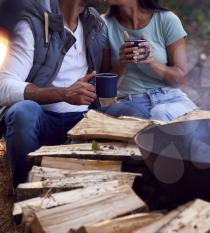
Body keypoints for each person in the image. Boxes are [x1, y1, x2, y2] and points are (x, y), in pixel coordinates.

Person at [0, 0, 146, 187]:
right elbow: (3, 86)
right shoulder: (32, 23)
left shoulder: (94, 23)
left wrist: (123, 64)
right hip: (42, 122)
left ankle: (127, 187)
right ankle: (25, 189)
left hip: (84, 122)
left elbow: (101, 84)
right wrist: (63, 94)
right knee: (22, 113)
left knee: (135, 112)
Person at [102, 0, 198, 122]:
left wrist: (152, 63)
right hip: (130, 103)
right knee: (157, 118)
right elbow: (103, 88)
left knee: (162, 114)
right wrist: (122, 64)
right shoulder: (104, 25)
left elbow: (180, 78)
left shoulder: (167, 20)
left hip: (171, 98)